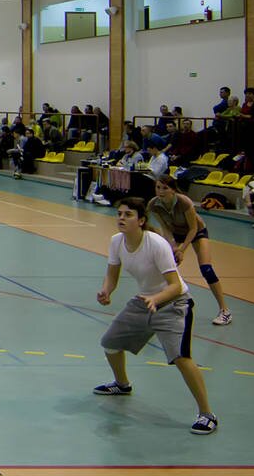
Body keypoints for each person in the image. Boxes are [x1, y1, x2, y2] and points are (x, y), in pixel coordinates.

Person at [92, 197, 218, 435]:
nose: (121, 218)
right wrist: (106, 290)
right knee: (110, 343)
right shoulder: (117, 241)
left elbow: (175, 286)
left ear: (141, 221)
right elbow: (112, 275)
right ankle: (122, 384)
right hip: (145, 301)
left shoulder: (156, 244)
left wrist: (156, 299)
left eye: (128, 214)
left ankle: (207, 414)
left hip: (173, 303)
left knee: (181, 357)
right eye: (119, 214)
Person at [148, 176, 233, 327]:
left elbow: (193, 228)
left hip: (196, 232)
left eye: (165, 188)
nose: (160, 191)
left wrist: (182, 249)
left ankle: (224, 310)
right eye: (158, 187)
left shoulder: (184, 202)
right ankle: (161, 304)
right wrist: (173, 246)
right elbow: (165, 228)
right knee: (164, 267)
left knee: (206, 269)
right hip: (176, 234)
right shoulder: (154, 205)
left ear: (173, 190)